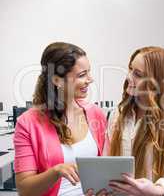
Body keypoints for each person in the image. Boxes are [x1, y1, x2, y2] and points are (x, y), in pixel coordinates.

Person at [90, 46, 164, 196]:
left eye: (138, 74)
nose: (128, 77)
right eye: (130, 69)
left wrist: (157, 190)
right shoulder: (118, 113)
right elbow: (107, 161)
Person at [14, 42, 107, 196]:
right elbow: (24, 189)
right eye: (81, 75)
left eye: (88, 72)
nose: (90, 80)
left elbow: (105, 167)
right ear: (57, 80)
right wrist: (56, 172)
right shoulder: (27, 123)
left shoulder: (96, 114)